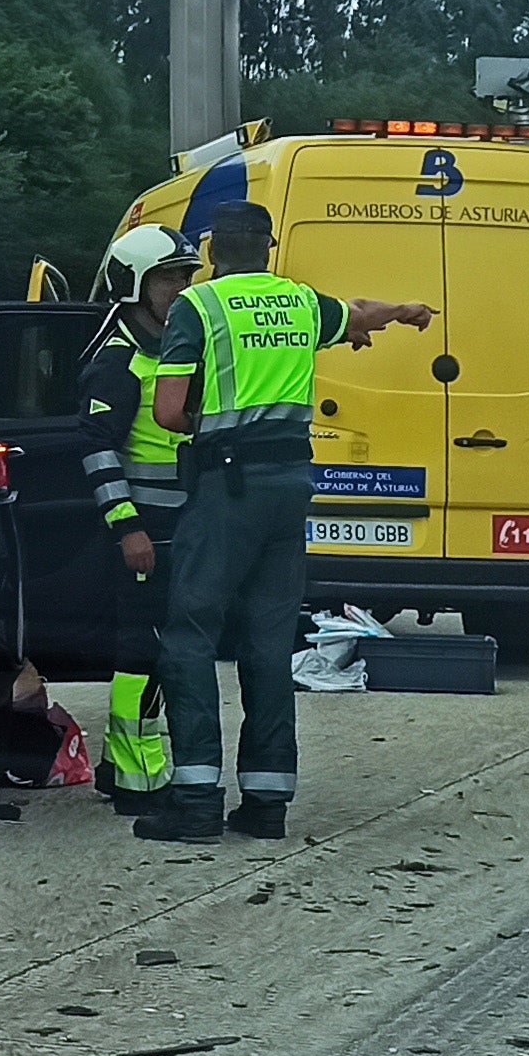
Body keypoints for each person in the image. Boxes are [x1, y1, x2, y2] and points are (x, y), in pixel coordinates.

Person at [139, 202, 431, 845]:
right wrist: (405, 311)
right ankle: (268, 802)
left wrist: (211, 430)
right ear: (269, 250)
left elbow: (166, 411)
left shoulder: (199, 307)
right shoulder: (299, 303)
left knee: (189, 632)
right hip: (291, 487)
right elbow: (355, 314)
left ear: (214, 249)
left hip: (228, 485)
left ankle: (194, 800)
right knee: (269, 643)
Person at [77, 223, 197, 813]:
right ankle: (137, 780)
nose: (180, 287)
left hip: (180, 526)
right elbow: (98, 450)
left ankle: (120, 767)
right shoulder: (119, 359)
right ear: (134, 284)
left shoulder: (174, 347)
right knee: (141, 655)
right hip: (145, 530)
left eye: (185, 276)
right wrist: (128, 528)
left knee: (161, 651)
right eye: (168, 277)